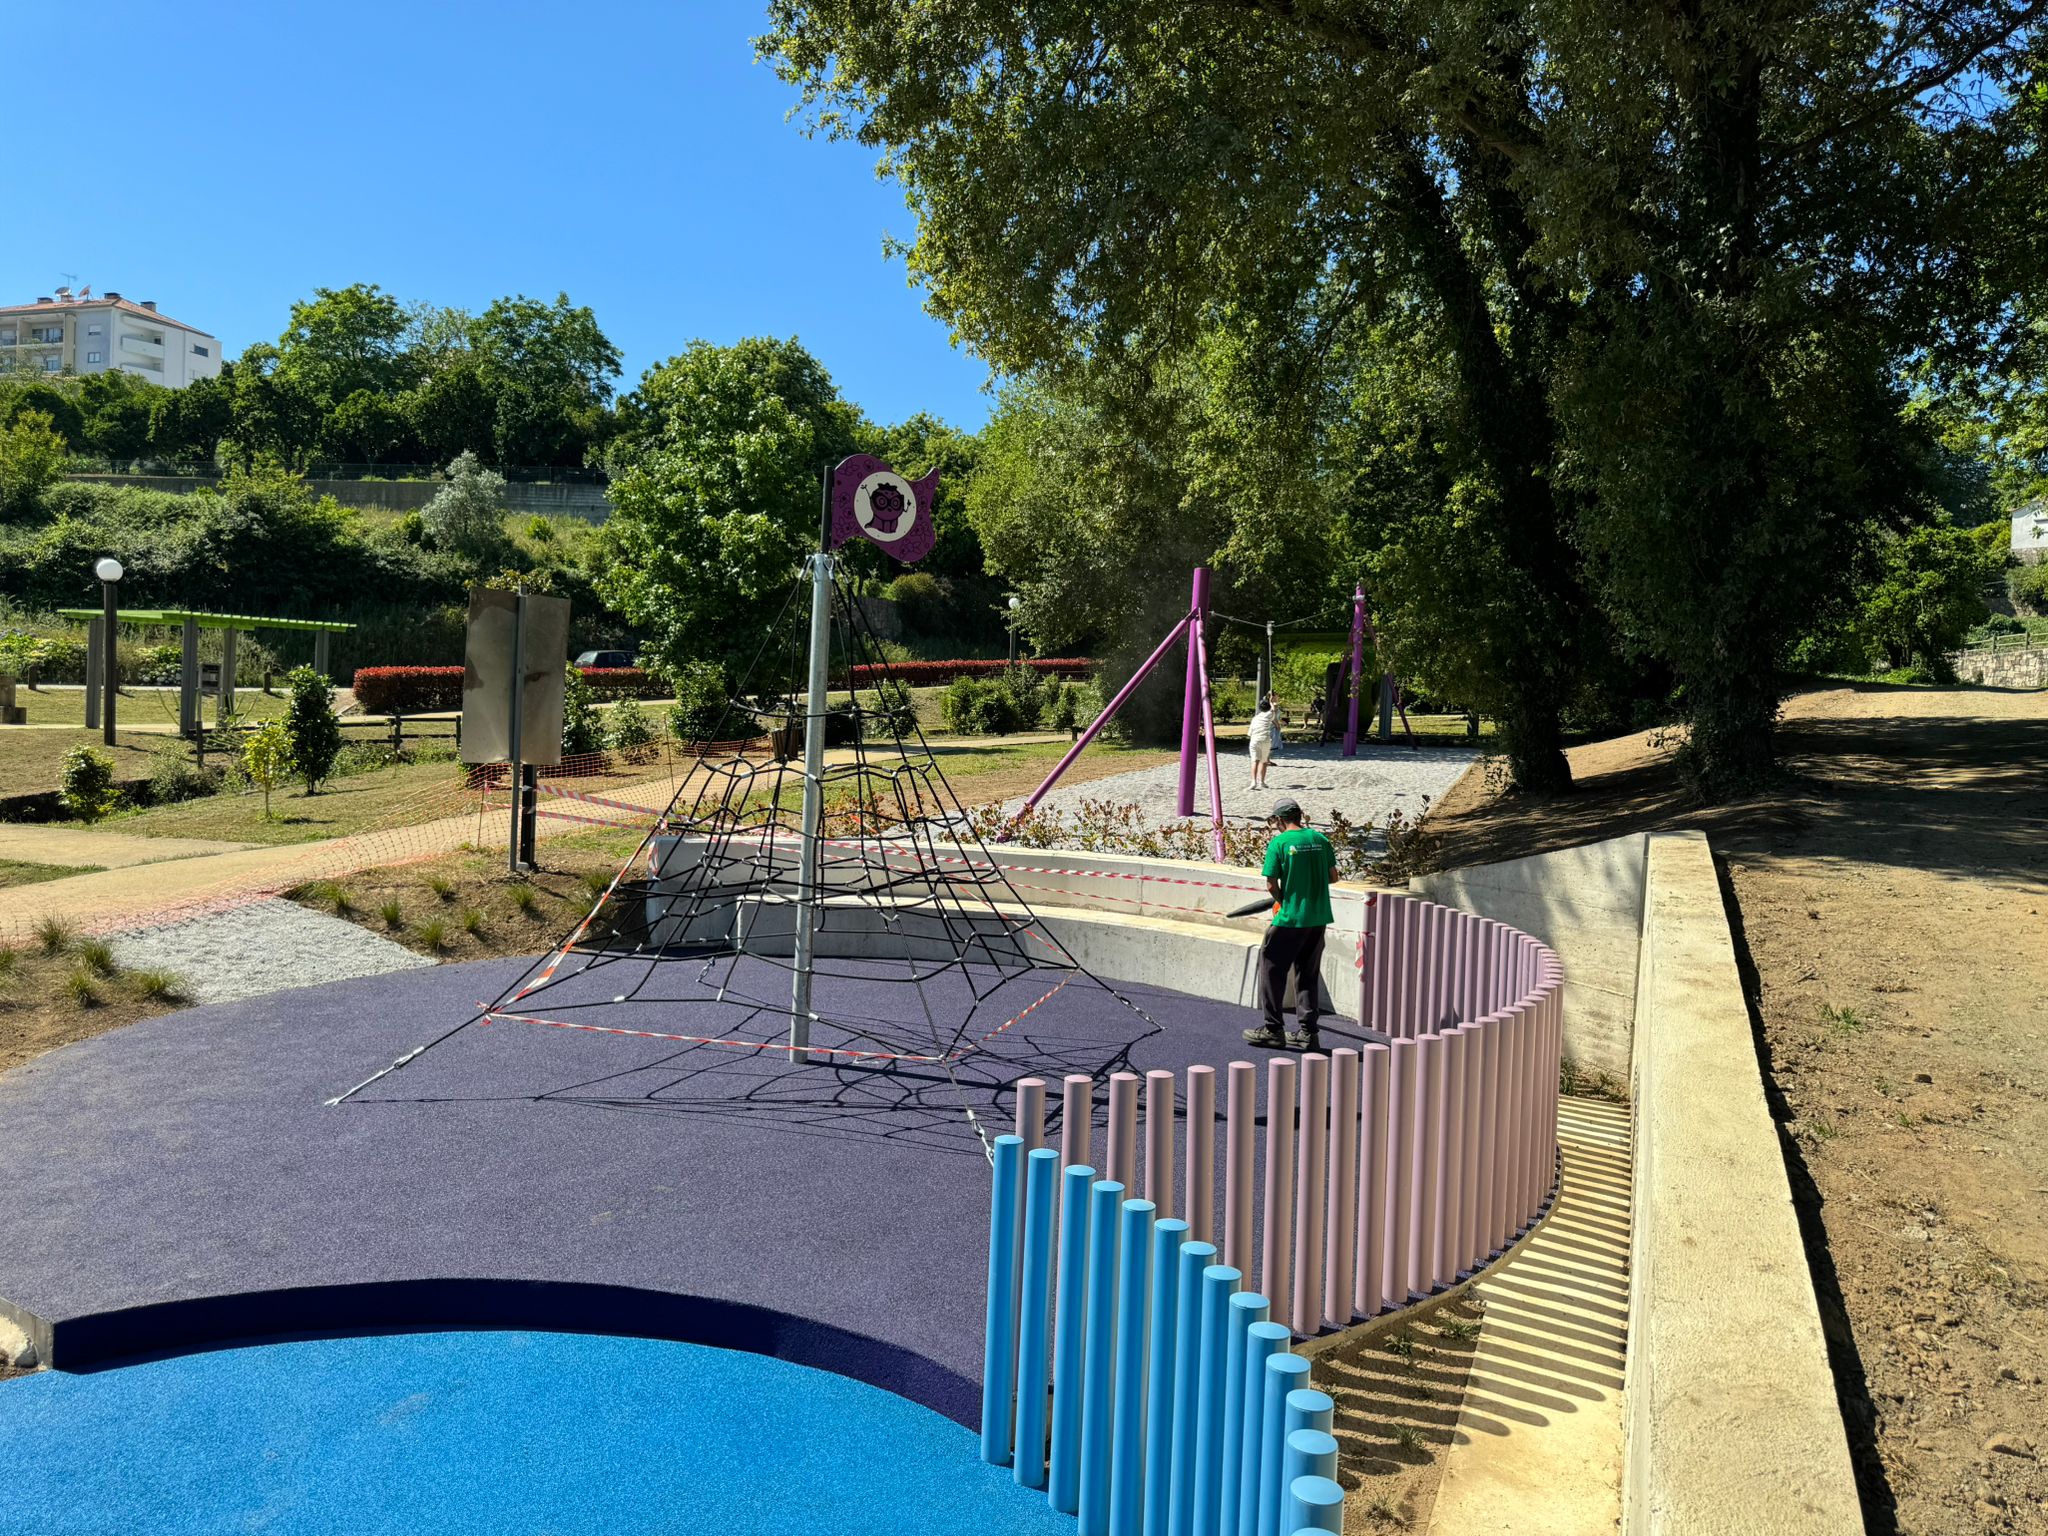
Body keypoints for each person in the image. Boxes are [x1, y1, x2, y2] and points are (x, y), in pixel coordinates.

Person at [1242, 798, 1335, 1052]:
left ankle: (1273, 1030)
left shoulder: (1280, 843)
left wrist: (1284, 900)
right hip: (1317, 918)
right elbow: (1333, 876)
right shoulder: (1320, 839)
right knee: (1307, 974)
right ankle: (1308, 1033)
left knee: (1272, 969)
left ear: (1279, 820)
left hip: (1290, 918)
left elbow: (1271, 884)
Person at [1246, 694, 1281, 791]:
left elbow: (1249, 733)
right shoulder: (1270, 715)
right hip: (1265, 740)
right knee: (1264, 761)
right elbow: (1273, 709)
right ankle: (1261, 781)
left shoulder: (1255, 718)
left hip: (1254, 740)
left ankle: (1253, 782)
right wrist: (1271, 701)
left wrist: (1270, 701)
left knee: (1254, 761)